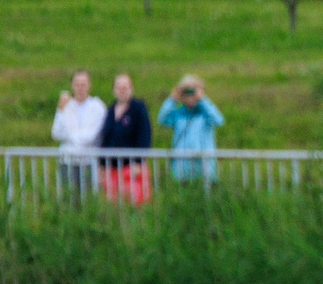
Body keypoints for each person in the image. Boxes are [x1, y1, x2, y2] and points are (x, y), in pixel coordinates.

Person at [159, 75, 224, 184]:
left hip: (204, 168)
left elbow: (218, 120)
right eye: (187, 93)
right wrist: (172, 99)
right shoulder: (178, 114)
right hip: (182, 169)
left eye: (193, 93)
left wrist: (203, 100)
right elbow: (162, 119)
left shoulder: (205, 114)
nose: (190, 97)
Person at [98, 73, 152, 205]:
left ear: (131, 89)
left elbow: (145, 135)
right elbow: (105, 138)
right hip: (112, 168)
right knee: (113, 204)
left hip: (132, 166)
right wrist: (102, 165)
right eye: (119, 87)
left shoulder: (138, 109)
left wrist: (139, 162)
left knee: (135, 203)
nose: (122, 90)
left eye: (125, 87)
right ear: (114, 90)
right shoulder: (111, 110)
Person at [51, 70, 104, 198]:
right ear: (72, 85)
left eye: (83, 84)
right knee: (68, 196)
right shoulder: (66, 105)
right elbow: (56, 133)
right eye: (77, 84)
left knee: (90, 197)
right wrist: (60, 110)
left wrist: (70, 136)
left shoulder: (97, 107)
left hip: (88, 161)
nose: (80, 88)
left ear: (89, 85)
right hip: (67, 160)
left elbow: (92, 136)